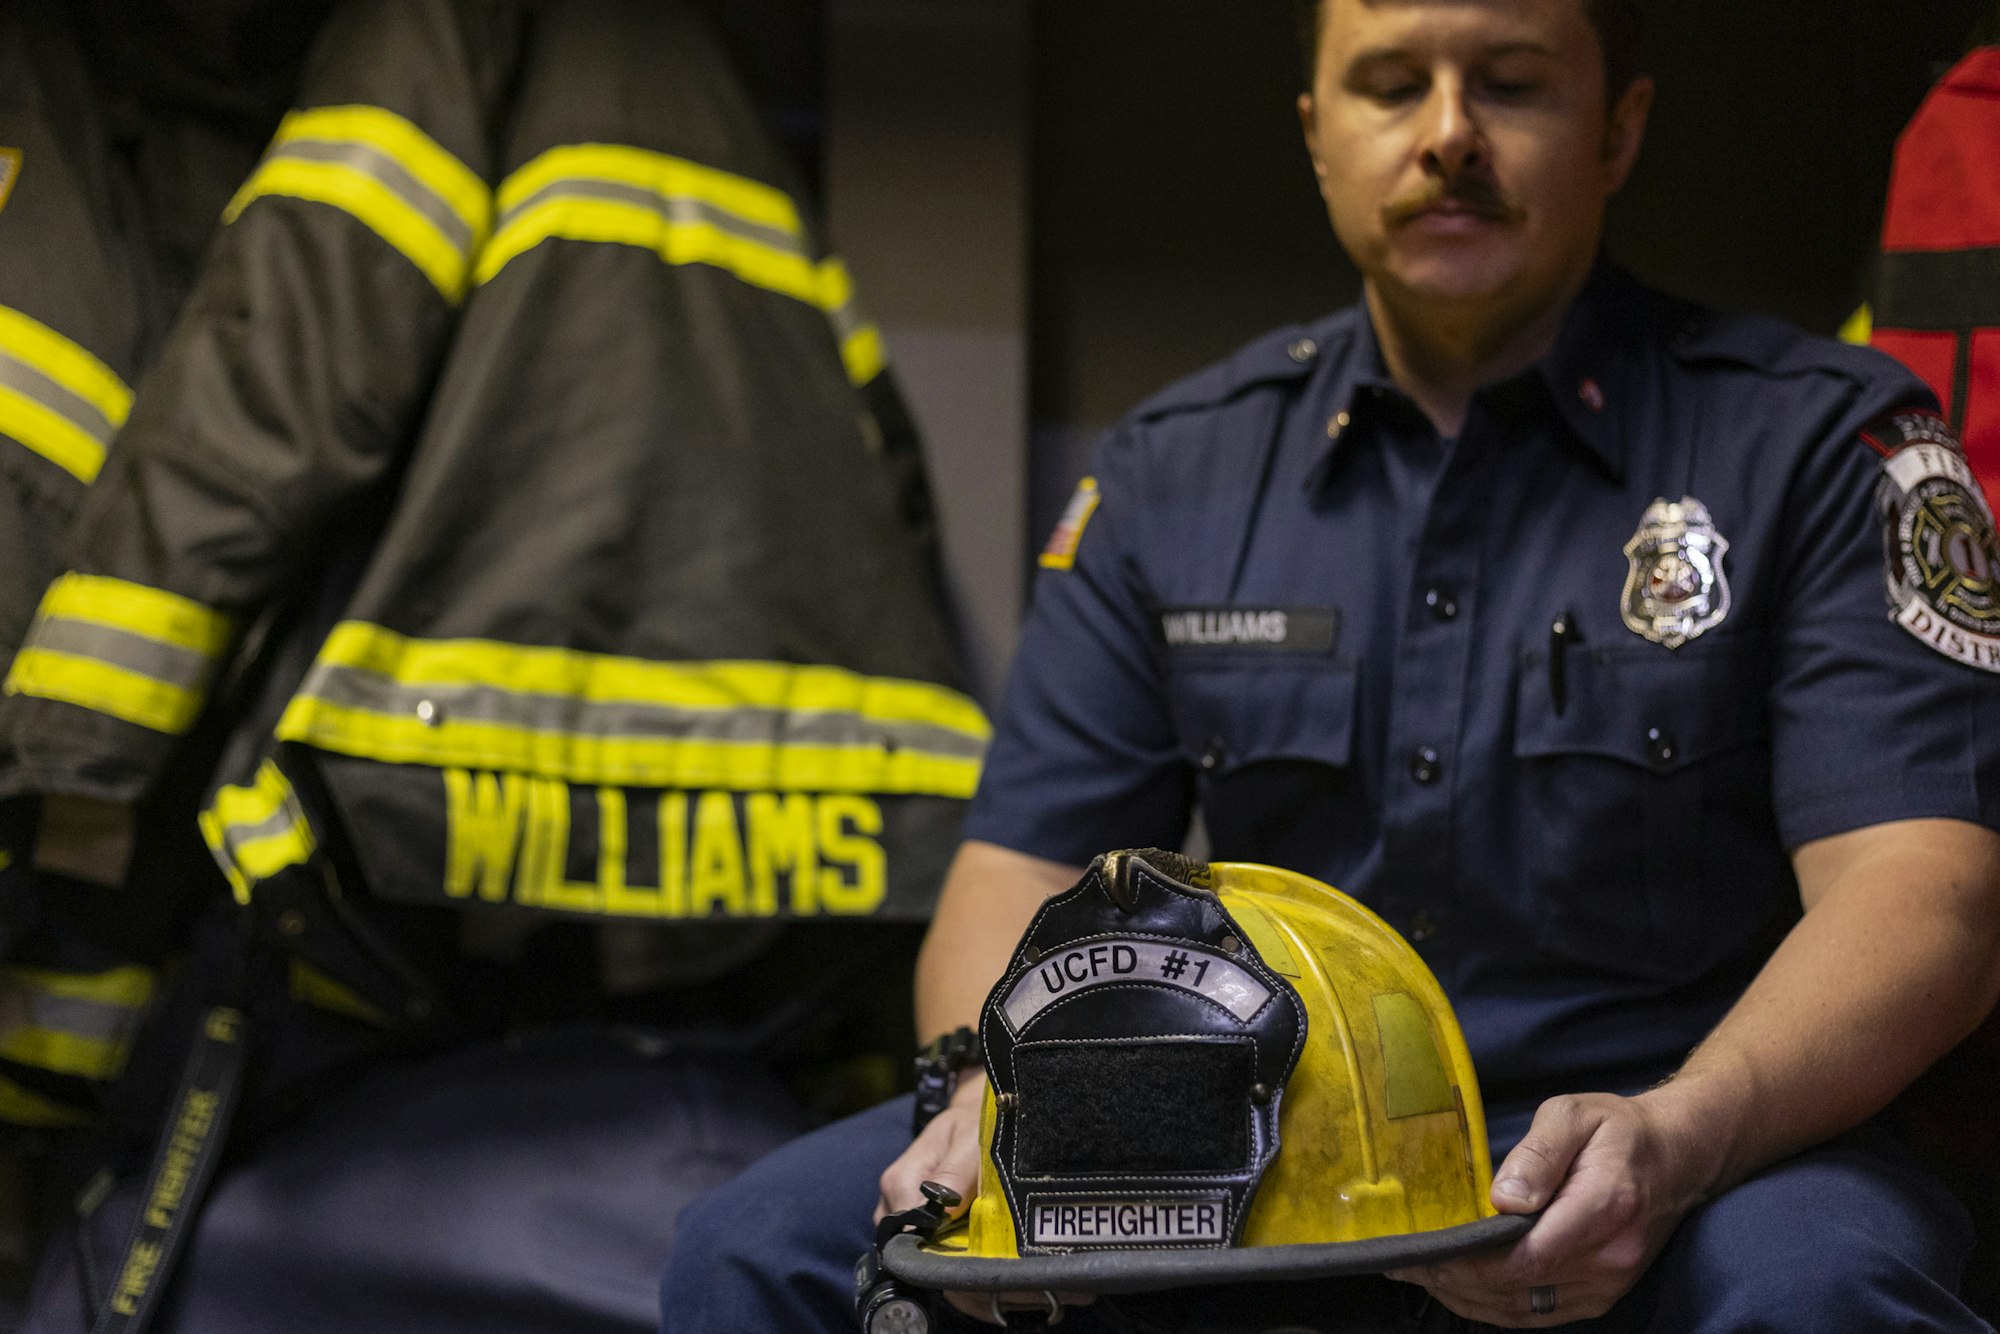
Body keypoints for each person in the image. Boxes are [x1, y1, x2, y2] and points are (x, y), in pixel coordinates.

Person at [660, 0, 2000, 1329]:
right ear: (1317, 131)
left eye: (1513, 83)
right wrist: (994, 1096)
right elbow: (1019, 870)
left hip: (1690, 1124)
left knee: (1823, 1288)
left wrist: (1688, 1131)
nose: (1449, 136)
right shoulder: (1172, 474)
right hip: (1249, 1128)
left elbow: (1922, 892)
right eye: (1391, 84)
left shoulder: (1820, 444)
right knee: (759, 1251)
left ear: (1618, 130)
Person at [6, 2, 981, 1331]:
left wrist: (72, 742)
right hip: (808, 826)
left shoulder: (428, 26)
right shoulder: (709, 92)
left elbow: (295, 359)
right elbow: (884, 451)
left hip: (459, 778)